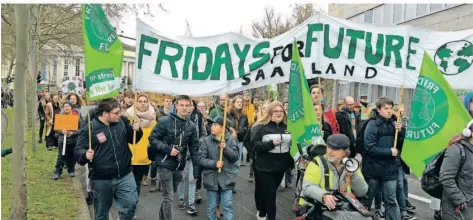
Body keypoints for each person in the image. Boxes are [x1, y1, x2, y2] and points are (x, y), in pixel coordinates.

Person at [75, 98, 143, 220]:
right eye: (116, 113)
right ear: (105, 114)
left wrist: (137, 130)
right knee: (101, 213)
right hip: (101, 179)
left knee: (131, 205)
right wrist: (85, 154)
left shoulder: (122, 122)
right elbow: (78, 151)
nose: (119, 115)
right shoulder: (89, 128)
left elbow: (133, 139)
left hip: (125, 175)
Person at [148, 95, 202, 220]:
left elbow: (194, 149)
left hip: (179, 165)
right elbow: (152, 139)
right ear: (176, 105)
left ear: (190, 107)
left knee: (170, 196)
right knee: (169, 197)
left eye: (186, 105)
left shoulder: (192, 126)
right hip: (164, 162)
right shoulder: (165, 121)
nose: (184, 108)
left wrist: (197, 171)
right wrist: (168, 149)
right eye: (181, 105)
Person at [362, 97, 413, 220]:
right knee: (367, 201)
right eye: (386, 108)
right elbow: (369, 147)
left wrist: (400, 132)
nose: (389, 111)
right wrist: (389, 152)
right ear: (379, 110)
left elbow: (401, 145)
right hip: (373, 170)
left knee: (390, 200)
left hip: (390, 169)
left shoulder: (393, 124)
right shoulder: (372, 124)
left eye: (391, 108)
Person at [300, 134, 370, 220]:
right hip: (320, 207)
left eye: (334, 149)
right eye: (328, 147)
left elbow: (362, 192)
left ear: (344, 152)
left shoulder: (351, 164)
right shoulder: (317, 162)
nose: (329, 152)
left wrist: (353, 174)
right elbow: (307, 187)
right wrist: (324, 195)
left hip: (344, 206)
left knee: (367, 218)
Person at [250, 101, 293, 220]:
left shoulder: (288, 127)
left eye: (281, 111)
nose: (279, 113)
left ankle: (262, 212)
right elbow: (254, 145)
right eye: (276, 111)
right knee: (271, 194)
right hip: (265, 166)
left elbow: (293, 145)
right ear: (270, 112)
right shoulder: (261, 126)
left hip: (281, 166)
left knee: (269, 191)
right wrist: (270, 144)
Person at [198, 116, 240, 220]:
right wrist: (214, 164)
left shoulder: (230, 140)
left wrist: (226, 148)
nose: (212, 127)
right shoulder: (206, 141)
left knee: (228, 206)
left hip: (226, 179)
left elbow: (235, 157)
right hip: (212, 179)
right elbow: (201, 159)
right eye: (212, 124)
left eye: (215, 125)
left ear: (222, 127)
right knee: (212, 206)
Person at [176, 100, 207, 215]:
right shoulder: (177, 119)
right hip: (181, 154)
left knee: (193, 178)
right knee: (182, 177)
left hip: (194, 153)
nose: (187, 108)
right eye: (184, 105)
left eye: (190, 105)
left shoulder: (198, 117)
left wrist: (197, 142)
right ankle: (180, 198)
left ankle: (191, 203)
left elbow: (204, 134)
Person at [126, 94, 155, 211]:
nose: (142, 103)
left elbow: (155, 137)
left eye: (145, 101)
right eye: (140, 101)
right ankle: (123, 210)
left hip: (144, 157)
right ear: (136, 103)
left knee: (137, 185)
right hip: (130, 156)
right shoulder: (128, 117)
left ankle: (132, 210)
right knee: (127, 186)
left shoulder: (153, 119)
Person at [439, 120, 473, 220]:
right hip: (458, 207)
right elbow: (446, 177)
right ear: (470, 132)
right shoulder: (456, 149)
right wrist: (460, 200)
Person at [149, 94, 174, 193]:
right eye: (167, 101)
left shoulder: (174, 113)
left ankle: (163, 183)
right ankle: (153, 182)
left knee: (166, 162)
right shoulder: (158, 112)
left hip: (168, 140)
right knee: (154, 162)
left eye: (170, 101)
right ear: (163, 102)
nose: (168, 103)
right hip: (158, 138)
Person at [53, 101, 80, 180]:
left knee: (71, 156)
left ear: (71, 107)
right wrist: (61, 131)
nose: (66, 108)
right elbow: (56, 129)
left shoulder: (76, 117)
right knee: (61, 156)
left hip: (73, 141)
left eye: (68, 106)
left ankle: (71, 170)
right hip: (62, 141)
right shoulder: (60, 117)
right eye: (64, 106)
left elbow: (81, 129)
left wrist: (73, 133)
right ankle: (58, 172)